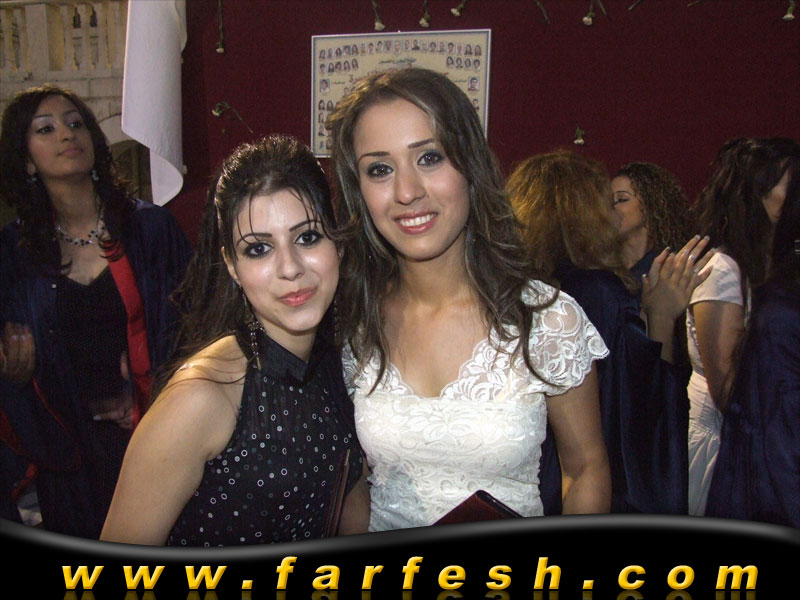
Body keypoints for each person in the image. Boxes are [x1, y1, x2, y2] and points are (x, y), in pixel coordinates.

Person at [326, 67, 611, 532]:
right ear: (359, 192)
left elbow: (585, 470)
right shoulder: (353, 325)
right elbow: (353, 483)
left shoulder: (546, 319)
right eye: (380, 169)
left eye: (430, 158)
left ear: (470, 166)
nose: (407, 192)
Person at [100, 135, 368, 546]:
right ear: (231, 264)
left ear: (339, 244)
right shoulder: (200, 398)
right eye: (259, 249)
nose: (290, 268)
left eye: (308, 238)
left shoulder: (336, 362)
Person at [0, 84, 191, 538]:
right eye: (45, 129)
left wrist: (147, 396)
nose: (67, 134)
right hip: (68, 458)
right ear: (26, 161)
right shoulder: (13, 252)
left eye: (75, 123)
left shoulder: (150, 230)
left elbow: (197, 326)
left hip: (155, 442)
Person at [507, 149, 711, 515]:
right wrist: (661, 318)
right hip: (583, 484)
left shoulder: (513, 288)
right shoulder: (599, 291)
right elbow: (638, 417)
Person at [687, 136, 798, 516]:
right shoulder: (723, 269)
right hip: (723, 443)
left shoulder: (768, 264)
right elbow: (728, 390)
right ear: (759, 192)